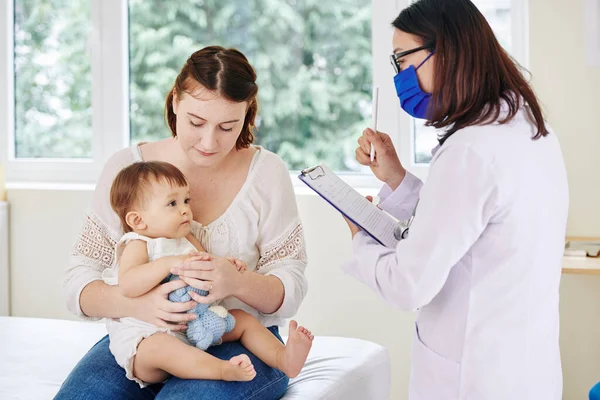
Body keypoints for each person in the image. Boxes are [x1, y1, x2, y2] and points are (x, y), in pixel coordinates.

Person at [344, 0, 568, 399]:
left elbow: (408, 286)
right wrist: (395, 176)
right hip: (527, 370)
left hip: (474, 377)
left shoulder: (471, 149)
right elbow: (466, 222)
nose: (400, 77)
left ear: (446, 51)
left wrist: (361, 236)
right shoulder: (528, 126)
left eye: (402, 60)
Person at [58, 46, 308, 400]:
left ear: (247, 115)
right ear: (175, 101)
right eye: (195, 122)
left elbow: (291, 286)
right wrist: (137, 306)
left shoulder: (266, 173)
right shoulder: (130, 170)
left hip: (227, 329)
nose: (209, 142)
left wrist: (236, 281)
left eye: (227, 126)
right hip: (146, 334)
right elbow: (77, 282)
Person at [103, 161, 313, 387]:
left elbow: (207, 264)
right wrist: (169, 263)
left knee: (242, 320)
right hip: (148, 335)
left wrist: (228, 266)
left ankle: (283, 359)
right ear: (138, 220)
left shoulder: (186, 237)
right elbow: (128, 285)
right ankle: (222, 369)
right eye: (172, 203)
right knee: (161, 347)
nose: (185, 209)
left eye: (186, 200)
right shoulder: (139, 243)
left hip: (196, 325)